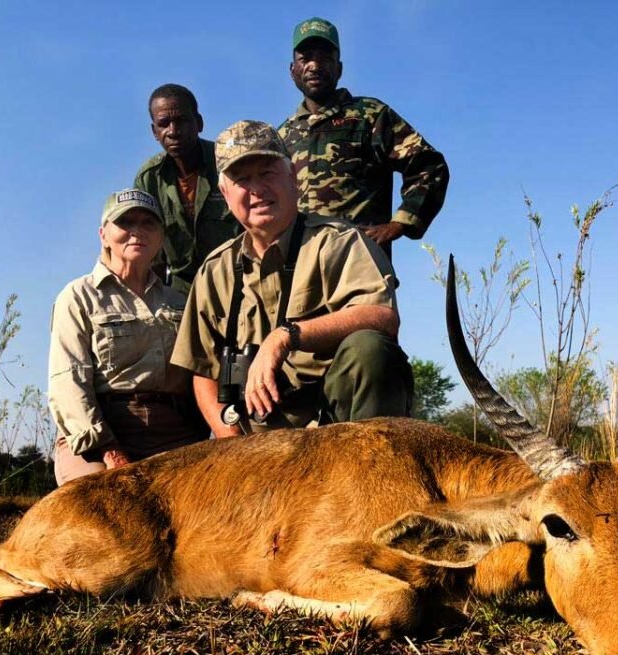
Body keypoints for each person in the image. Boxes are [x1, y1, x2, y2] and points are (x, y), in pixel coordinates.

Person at [172, 120, 413, 437]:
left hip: (334, 430)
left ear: (292, 178)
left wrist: (285, 337)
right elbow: (202, 370)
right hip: (256, 442)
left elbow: (381, 317)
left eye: (267, 173)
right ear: (225, 194)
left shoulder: (338, 242)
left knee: (369, 348)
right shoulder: (214, 269)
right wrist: (231, 450)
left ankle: (368, 475)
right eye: (242, 179)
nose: (257, 189)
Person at [48, 189, 209, 485]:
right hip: (100, 433)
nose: (137, 232)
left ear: (161, 237)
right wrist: (110, 451)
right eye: (125, 223)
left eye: (148, 223)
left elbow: (201, 375)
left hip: (176, 432)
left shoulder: (179, 302)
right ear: (103, 234)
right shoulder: (78, 297)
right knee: (103, 510)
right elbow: (67, 384)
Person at [279, 17, 450, 258]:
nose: (315, 66)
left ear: (339, 68)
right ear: (292, 70)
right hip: (299, 271)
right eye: (305, 58)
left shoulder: (370, 115)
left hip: (361, 266)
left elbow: (429, 166)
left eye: (325, 58)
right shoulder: (282, 135)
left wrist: (400, 224)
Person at [134, 84, 240, 294]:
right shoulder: (149, 179)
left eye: (181, 120)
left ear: (199, 123)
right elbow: (148, 250)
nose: (173, 131)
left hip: (237, 282)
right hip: (182, 293)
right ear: (154, 131)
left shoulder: (228, 163)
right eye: (164, 124)